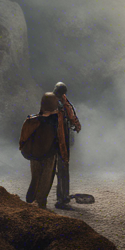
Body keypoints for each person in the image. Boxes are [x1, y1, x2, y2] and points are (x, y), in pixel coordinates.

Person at [24, 93, 61, 208]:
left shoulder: (34, 120)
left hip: (34, 155)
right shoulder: (55, 121)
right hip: (48, 155)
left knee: (35, 178)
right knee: (45, 180)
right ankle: (40, 204)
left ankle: (30, 201)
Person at [51, 82, 82, 210]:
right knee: (63, 167)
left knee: (61, 168)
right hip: (60, 139)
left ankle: (63, 196)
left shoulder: (56, 101)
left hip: (57, 138)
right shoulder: (59, 104)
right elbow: (70, 116)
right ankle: (61, 198)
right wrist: (76, 124)